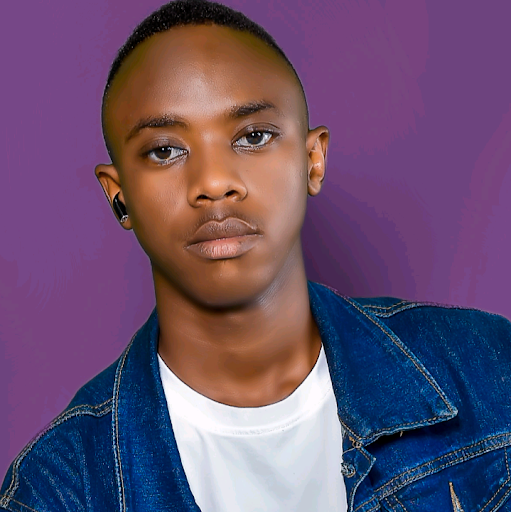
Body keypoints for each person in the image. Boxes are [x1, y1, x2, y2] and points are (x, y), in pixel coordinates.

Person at [2, 0, 511, 510]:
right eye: (165, 150)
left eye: (253, 136)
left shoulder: (488, 369)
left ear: (312, 160)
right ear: (120, 196)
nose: (213, 182)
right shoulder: (58, 488)